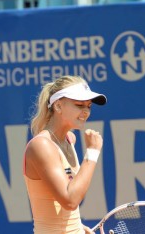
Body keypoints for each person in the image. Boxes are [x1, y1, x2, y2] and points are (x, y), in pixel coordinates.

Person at [23, 75, 107, 234]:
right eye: (79, 105)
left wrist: (76, 227)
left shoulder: (70, 140)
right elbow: (69, 200)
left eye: (88, 106)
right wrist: (92, 152)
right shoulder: (41, 146)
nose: (86, 112)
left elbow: (62, 209)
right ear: (58, 106)